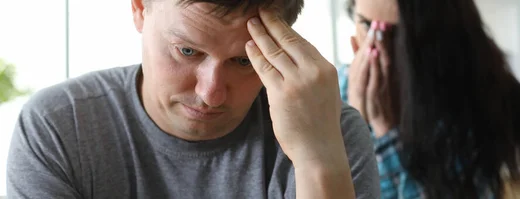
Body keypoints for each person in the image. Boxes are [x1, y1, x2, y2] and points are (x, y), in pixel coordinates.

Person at [6, 0, 380, 198]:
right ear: (139, 8)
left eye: (242, 60)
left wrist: (317, 161)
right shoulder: (60, 126)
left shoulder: (329, 133)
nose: (210, 92)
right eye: (187, 51)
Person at [340, 0, 520, 198]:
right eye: (366, 25)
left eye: (395, 34)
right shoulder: (332, 94)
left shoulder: (473, 115)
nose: (376, 48)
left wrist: (384, 131)